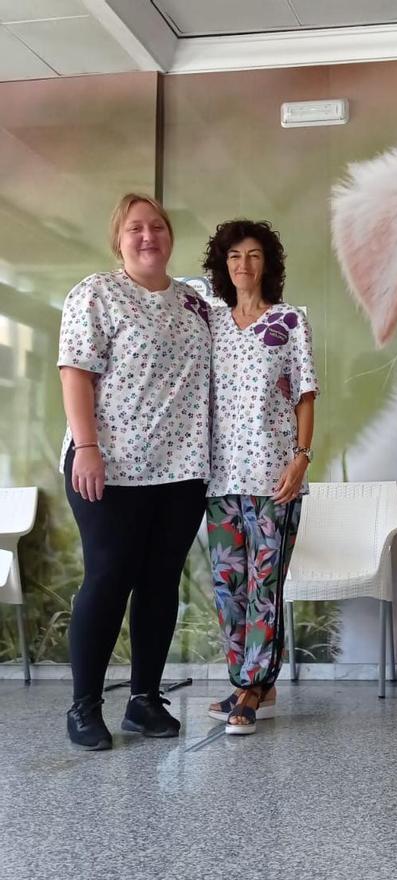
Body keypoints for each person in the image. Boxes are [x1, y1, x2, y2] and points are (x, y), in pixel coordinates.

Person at [58, 193, 211, 750]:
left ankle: (144, 701)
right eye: (135, 229)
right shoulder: (97, 293)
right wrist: (87, 446)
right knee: (107, 579)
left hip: (181, 470)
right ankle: (83, 707)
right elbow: (75, 372)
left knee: (159, 584)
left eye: (157, 226)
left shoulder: (195, 303)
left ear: (170, 236)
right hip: (110, 466)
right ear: (118, 240)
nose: (148, 236)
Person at [202, 219, 318, 735]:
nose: (242, 265)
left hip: (275, 474)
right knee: (229, 587)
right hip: (219, 477)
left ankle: (253, 688)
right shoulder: (209, 324)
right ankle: (246, 682)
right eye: (233, 257)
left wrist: (302, 456)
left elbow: (305, 394)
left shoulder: (290, 321)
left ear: (267, 263)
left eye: (252, 255)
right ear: (223, 266)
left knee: (264, 584)